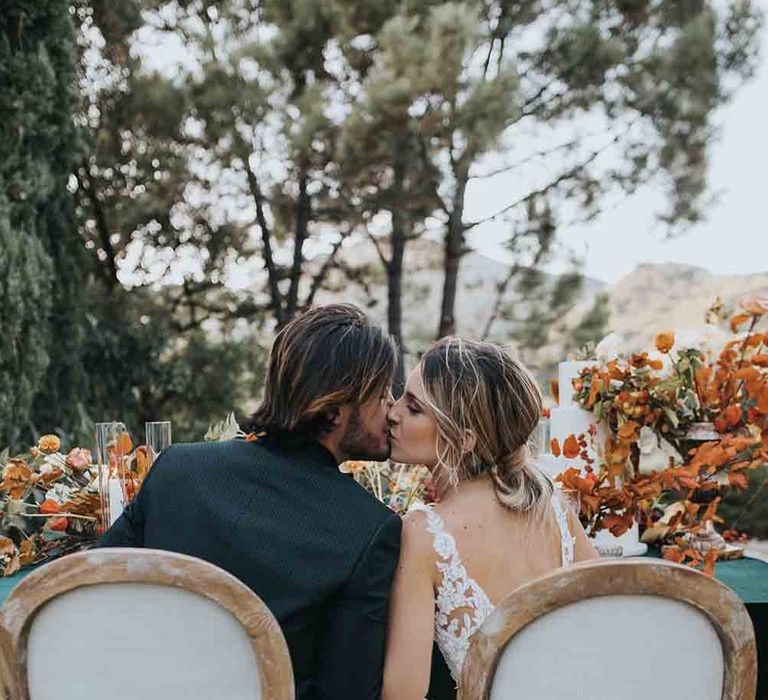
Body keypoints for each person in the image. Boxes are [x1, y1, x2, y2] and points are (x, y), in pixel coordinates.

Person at [99, 304, 402, 700]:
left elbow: (92, 596)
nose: (392, 408)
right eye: (381, 394)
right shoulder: (370, 529)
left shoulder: (177, 468)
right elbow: (349, 692)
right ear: (333, 410)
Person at [383, 337, 599, 699]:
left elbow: (402, 693)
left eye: (414, 407)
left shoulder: (425, 533)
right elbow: (606, 615)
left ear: (464, 438)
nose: (393, 412)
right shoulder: (552, 503)